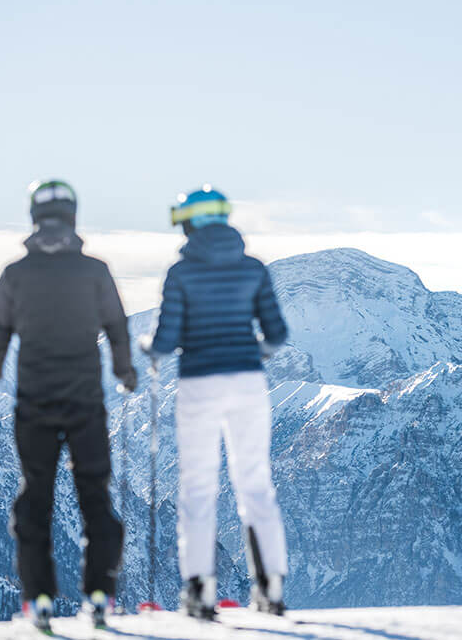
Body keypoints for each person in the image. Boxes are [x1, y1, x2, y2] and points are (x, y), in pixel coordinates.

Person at [0, 179, 136, 632]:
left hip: (35, 403)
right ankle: (100, 593)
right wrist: (125, 374)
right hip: (85, 401)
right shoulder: (96, 271)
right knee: (95, 496)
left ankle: (39, 597)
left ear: (33, 217)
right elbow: (118, 328)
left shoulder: (14, 275)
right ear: (73, 216)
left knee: (35, 499)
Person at [141, 184, 289, 619]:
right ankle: (272, 587)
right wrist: (250, 353)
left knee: (198, 487)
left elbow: (165, 341)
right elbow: (277, 334)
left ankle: (200, 593)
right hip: (248, 382)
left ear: (190, 222)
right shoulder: (254, 269)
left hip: (199, 384)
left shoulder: (180, 273)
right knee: (255, 483)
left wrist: (148, 345)